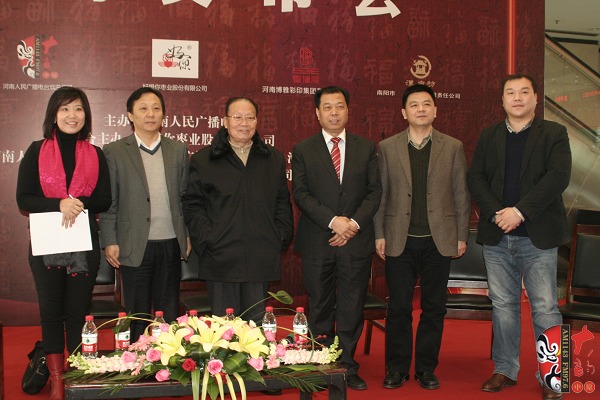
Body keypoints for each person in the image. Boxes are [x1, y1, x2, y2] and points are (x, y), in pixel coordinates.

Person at [467, 74, 571, 400]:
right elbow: (476, 178)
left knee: (546, 307)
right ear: (502, 100)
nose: (517, 97)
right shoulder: (490, 135)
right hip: (497, 236)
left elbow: (558, 178)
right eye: (510, 92)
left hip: (538, 237)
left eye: (524, 92)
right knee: (503, 307)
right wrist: (498, 213)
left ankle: (553, 377)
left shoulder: (554, 133)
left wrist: (520, 212)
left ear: (536, 98)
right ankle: (504, 369)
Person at [373, 84, 471, 391]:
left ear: (435, 110)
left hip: (438, 239)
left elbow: (461, 193)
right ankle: (397, 368)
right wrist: (379, 233)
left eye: (426, 104)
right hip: (399, 238)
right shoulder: (387, 147)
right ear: (404, 112)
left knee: (434, 308)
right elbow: (380, 194)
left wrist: (460, 234)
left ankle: (426, 368)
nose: (420, 109)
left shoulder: (452, 146)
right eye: (414, 105)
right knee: (399, 307)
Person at [16, 87, 112, 400]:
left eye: (79, 109)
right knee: (51, 312)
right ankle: (57, 380)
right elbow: (24, 198)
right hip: (46, 246)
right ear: (54, 115)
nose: (73, 115)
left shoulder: (96, 154)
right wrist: (59, 204)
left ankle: (76, 376)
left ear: (86, 115)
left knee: (77, 313)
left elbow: (104, 199)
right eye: (65, 109)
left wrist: (79, 201)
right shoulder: (36, 150)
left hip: (84, 246)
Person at [292, 86, 382, 391]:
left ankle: (346, 366)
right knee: (319, 304)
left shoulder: (366, 147)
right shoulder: (303, 149)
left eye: (339, 106)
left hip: (355, 240)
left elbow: (374, 192)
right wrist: (334, 221)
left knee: (351, 306)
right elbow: (301, 193)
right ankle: (322, 364)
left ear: (348, 111)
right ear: (317, 113)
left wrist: (352, 224)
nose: (334, 112)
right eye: (327, 107)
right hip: (318, 240)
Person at [182, 97, 293, 321]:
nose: (244, 123)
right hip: (220, 256)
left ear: (257, 121)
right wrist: (208, 239)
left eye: (250, 117)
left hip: (260, 255)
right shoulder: (204, 159)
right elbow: (193, 204)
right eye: (238, 117)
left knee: (255, 330)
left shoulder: (273, 159)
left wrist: (280, 235)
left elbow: (282, 202)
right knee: (226, 331)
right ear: (225, 121)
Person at [99, 87, 190, 343]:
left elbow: (185, 197)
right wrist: (109, 239)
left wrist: (186, 234)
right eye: (143, 108)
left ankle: (168, 361)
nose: (150, 114)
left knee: (168, 313)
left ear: (163, 115)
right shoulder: (115, 151)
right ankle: (137, 361)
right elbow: (110, 201)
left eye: (156, 108)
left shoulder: (177, 150)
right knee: (137, 314)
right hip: (133, 243)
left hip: (170, 242)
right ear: (130, 115)